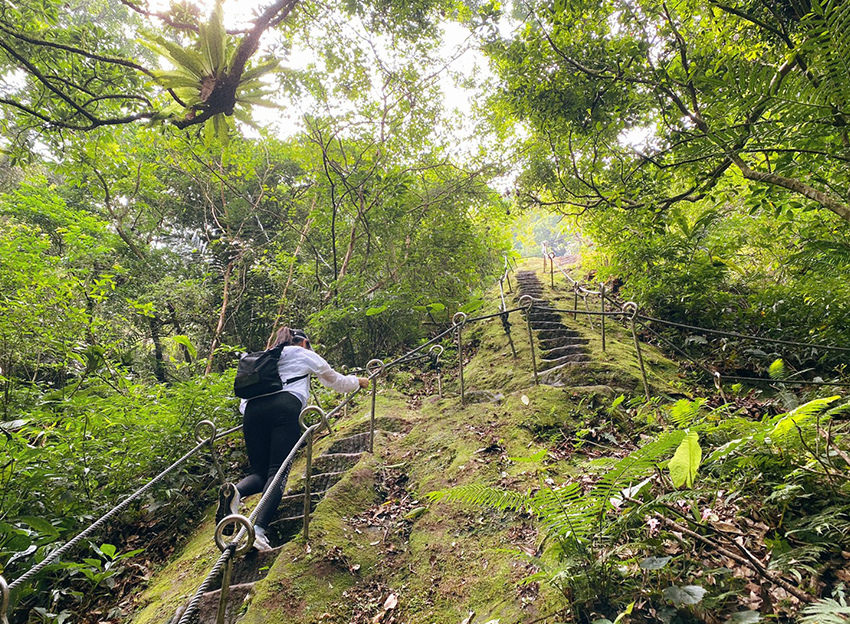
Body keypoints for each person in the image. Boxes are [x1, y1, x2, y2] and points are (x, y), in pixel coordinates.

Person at [216, 327, 370, 550]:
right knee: (277, 471)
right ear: (304, 342)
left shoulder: (262, 358)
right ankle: (258, 532)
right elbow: (335, 381)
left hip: (252, 413)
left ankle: (235, 492)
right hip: (285, 407)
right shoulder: (302, 353)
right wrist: (358, 381)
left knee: (259, 473)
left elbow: (243, 401)